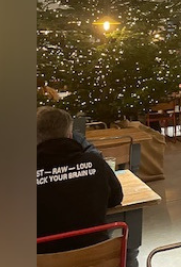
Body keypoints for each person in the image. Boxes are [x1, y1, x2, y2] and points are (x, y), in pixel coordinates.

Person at [37, 107, 123, 254]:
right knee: (129, 251)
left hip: (44, 259)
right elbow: (116, 198)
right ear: (70, 134)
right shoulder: (96, 162)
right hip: (97, 258)